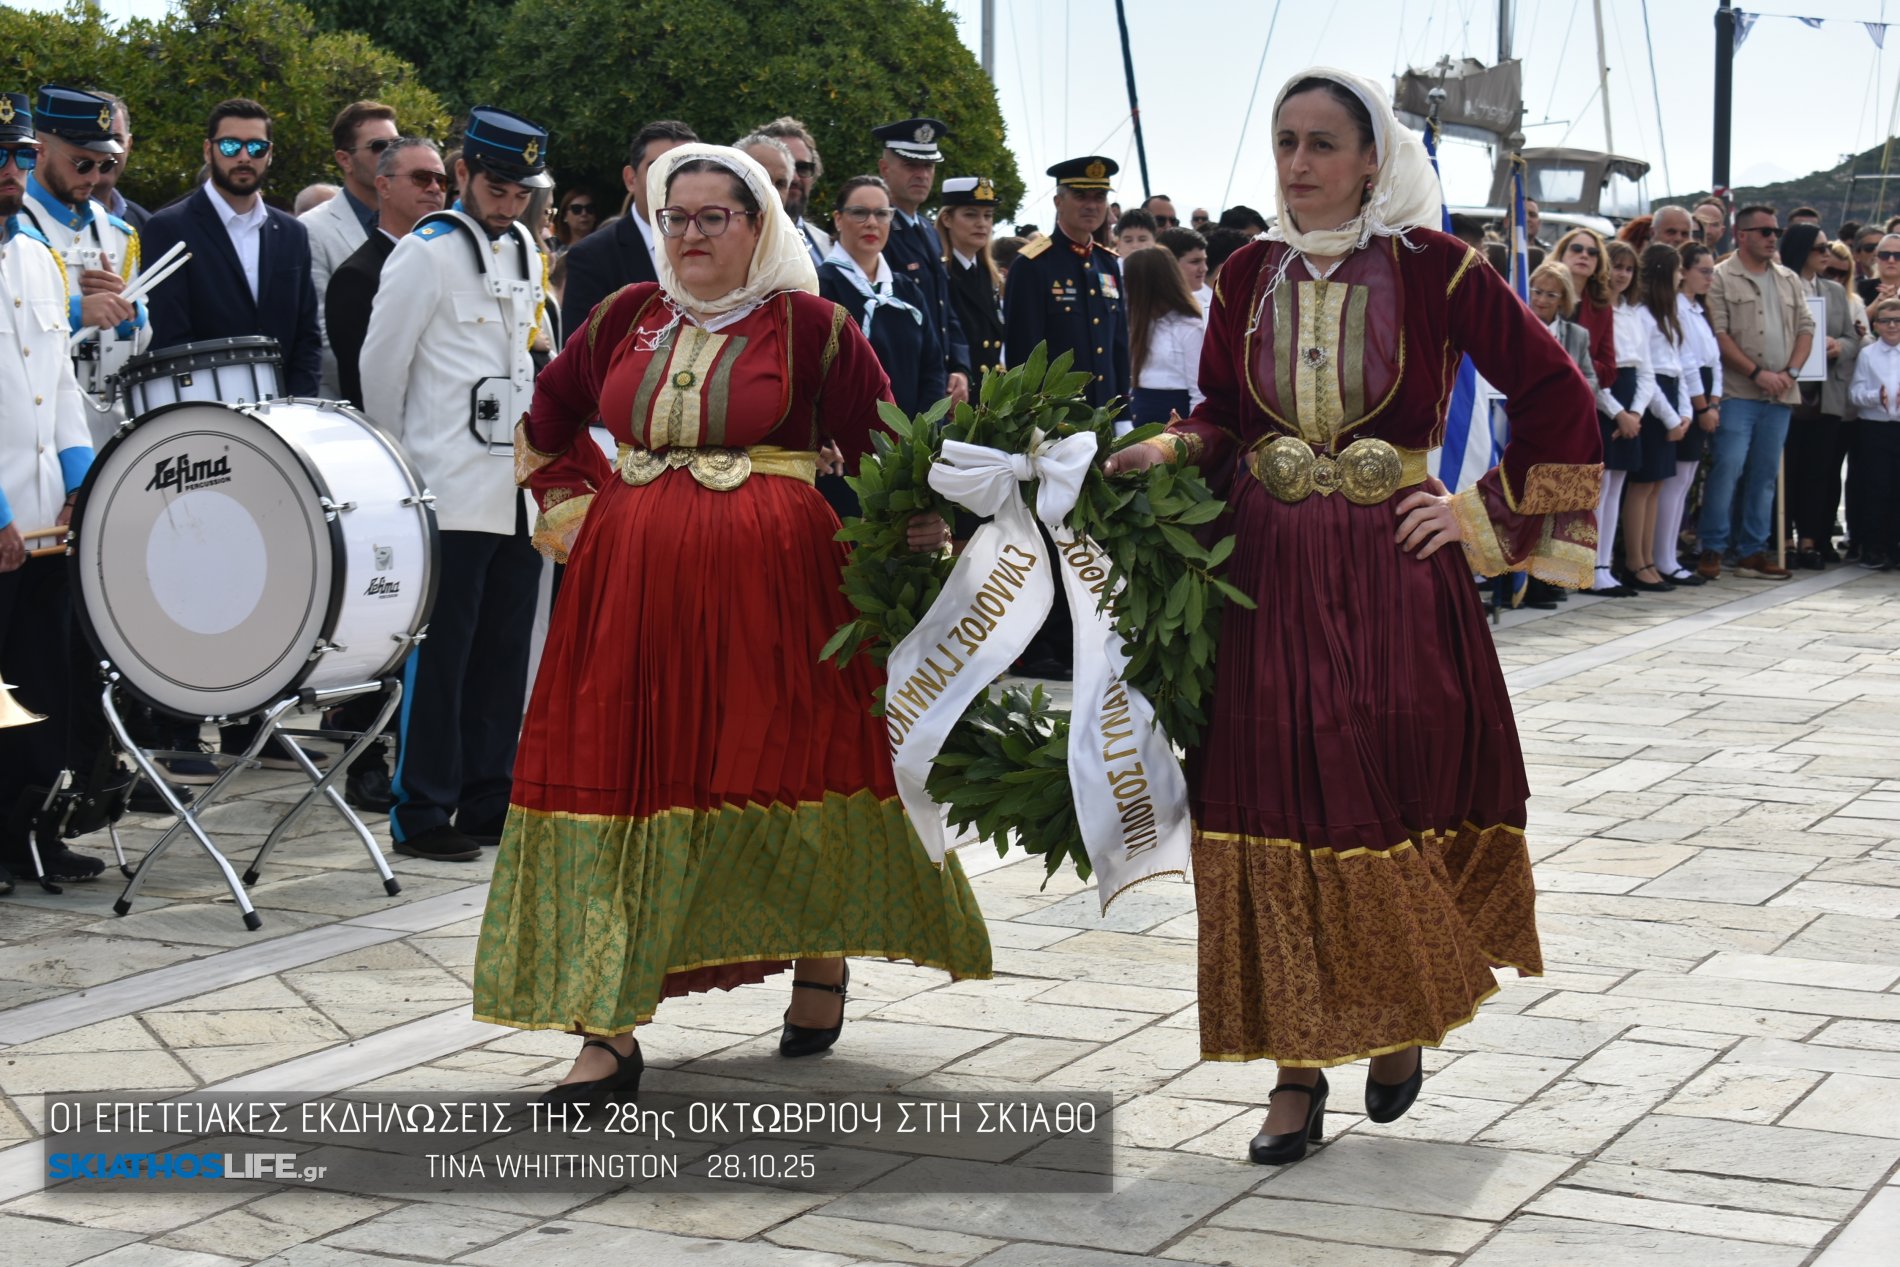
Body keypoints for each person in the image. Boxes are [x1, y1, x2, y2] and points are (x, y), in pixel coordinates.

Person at [1104, 68, 1598, 1166]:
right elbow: (1224, 416)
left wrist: (1483, 518)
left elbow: (1556, 388)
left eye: (1322, 143)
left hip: (1389, 571)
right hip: (1266, 567)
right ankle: (1292, 1076)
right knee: (1272, 796)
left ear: (1372, 157)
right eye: (1284, 141)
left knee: (1383, 787)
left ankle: (1399, 1008)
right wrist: (1169, 448)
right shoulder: (1243, 271)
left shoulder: (1436, 268)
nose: (1298, 163)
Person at [471, 143, 991, 1101]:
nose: (694, 233)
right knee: (620, 772)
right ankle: (608, 1025)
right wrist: (581, 515)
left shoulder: (813, 327)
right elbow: (546, 424)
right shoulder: (623, 317)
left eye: (718, 216)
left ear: (761, 225)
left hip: (778, 595)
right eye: (679, 216)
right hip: (624, 600)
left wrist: (921, 525)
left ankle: (820, 950)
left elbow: (889, 450)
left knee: (782, 764)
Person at [358, 106, 555, 862]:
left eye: (520, 191)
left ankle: (486, 794)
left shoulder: (526, 255)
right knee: (441, 658)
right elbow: (383, 366)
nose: (509, 202)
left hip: (513, 489)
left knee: (504, 653)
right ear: (464, 173)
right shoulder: (426, 251)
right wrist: (399, 469)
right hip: (444, 485)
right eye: (497, 185)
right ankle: (422, 808)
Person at [142, 98, 326, 774]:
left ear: (271, 155)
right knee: (189, 575)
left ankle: (256, 722)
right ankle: (181, 730)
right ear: (208, 149)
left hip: (276, 432)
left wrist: (296, 412)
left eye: (255, 147)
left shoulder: (289, 233)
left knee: (266, 577)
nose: (243, 158)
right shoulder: (169, 227)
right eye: (230, 146)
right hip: (197, 430)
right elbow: (169, 338)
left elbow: (306, 333)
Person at [0, 90, 109, 891]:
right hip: (3, 516)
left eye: (17, 155)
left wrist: (79, 487)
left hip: (45, 517)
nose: (11, 170)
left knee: (38, 684)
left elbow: (61, 387)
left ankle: (26, 831)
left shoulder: (35, 255)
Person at [19, 85, 146, 447]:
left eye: (105, 164)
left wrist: (131, 312)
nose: (95, 177)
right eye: (82, 163)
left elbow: (139, 340)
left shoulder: (119, 235)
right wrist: (74, 313)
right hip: (34, 432)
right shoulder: (15, 228)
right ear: (39, 151)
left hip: (107, 427)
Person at [1696, 205, 1814, 581]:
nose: (1771, 238)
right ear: (1741, 234)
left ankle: (1752, 551)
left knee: (1764, 476)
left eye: (1775, 232)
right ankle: (1712, 547)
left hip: (1780, 394)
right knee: (1727, 469)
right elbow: (1719, 334)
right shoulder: (1719, 278)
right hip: (1736, 392)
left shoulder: (1788, 278)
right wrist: (1758, 373)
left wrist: (1791, 371)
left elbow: (1806, 328)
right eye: (1764, 231)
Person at [326, 138, 447, 410]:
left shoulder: (446, 263)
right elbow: (368, 383)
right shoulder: (356, 277)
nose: (434, 188)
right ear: (384, 186)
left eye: (441, 180)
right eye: (421, 178)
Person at [1005, 155, 1129, 408]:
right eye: (1081, 196)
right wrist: (1031, 414)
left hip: (1103, 409)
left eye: (1099, 197)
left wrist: (1121, 410)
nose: (1091, 206)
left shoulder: (1107, 263)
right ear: (1058, 202)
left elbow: (1118, 343)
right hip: (1055, 414)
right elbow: (1024, 351)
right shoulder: (1033, 264)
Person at [557, 119, 697, 341]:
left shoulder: (723, 247)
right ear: (631, 179)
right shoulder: (593, 257)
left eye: (687, 168)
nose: (673, 180)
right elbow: (581, 359)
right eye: (658, 169)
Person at [817, 175, 944, 417]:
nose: (872, 223)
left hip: (911, 442)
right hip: (845, 443)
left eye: (882, 214)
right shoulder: (821, 287)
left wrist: (921, 431)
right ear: (838, 219)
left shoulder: (907, 290)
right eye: (859, 212)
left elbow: (933, 367)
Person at [304, 100, 398, 398]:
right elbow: (322, 336)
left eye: (398, 144)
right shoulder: (313, 230)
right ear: (345, 160)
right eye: (379, 146)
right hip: (347, 403)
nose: (392, 155)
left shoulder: (419, 223)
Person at [874, 117, 970, 405]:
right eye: (910, 165)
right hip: (898, 386)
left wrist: (959, 368)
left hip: (935, 385)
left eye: (928, 166)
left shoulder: (928, 230)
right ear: (884, 169)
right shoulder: (876, 228)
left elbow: (944, 307)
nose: (921, 174)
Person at [1782, 222, 1860, 570]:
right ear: (1802, 250)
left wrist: (1836, 346)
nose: (1827, 254)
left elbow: (1851, 338)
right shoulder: (1780, 283)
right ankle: (1783, 539)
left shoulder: (1832, 291)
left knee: (1819, 471)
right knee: (1787, 470)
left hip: (1826, 394)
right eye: (1820, 248)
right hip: (1788, 391)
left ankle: (1811, 540)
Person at [1619, 243, 1694, 592]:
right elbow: (1652, 373)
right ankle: (1636, 560)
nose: (1682, 276)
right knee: (1642, 485)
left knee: (1656, 486)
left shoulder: (1668, 316)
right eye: (1678, 269)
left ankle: (1650, 558)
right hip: (1651, 406)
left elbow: (1678, 367)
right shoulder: (1645, 316)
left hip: (1671, 399)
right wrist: (1669, 418)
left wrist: (1685, 414)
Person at [1587, 239, 1659, 597]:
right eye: (1616, 266)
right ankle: (1592, 566)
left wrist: (1635, 412)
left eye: (1629, 269)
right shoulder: (1600, 310)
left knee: (1616, 488)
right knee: (1600, 490)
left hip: (1631, 399)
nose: (1622, 274)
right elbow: (1593, 369)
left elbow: (1646, 370)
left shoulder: (1634, 314)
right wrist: (1617, 413)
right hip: (1608, 398)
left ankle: (1605, 564)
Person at [1657, 243, 1721, 585]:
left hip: (1704, 395)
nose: (1710, 278)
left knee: (1684, 482)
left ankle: (1669, 554)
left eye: (1712, 271)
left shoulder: (1699, 309)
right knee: (1675, 481)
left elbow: (1714, 360)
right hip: (1690, 397)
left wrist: (1716, 399)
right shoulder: (1679, 309)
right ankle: (1663, 557)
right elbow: (1689, 363)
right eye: (1704, 271)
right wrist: (1702, 407)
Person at [1124, 245, 1203, 432]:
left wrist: (1191, 436)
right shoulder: (1137, 323)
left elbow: (1199, 393)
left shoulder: (1189, 327)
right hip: (1138, 420)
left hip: (1174, 423)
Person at [1848, 296, 1900, 568]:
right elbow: (1855, 392)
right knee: (1876, 488)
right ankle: (1873, 547)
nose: (1892, 326)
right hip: (1874, 428)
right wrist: (1874, 397)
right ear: (1876, 325)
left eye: (1897, 320)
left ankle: (1895, 546)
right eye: (1885, 321)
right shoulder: (1868, 354)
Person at [936, 175, 1004, 380]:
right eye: (970, 214)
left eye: (988, 215)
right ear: (947, 219)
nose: (982, 223)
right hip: (958, 389)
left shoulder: (988, 273)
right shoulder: (941, 271)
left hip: (990, 394)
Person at [756, 117, 831, 266]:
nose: (794, 177)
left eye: (802, 168)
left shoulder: (828, 246)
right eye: (785, 167)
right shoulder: (738, 241)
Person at [1554, 227, 1617, 396]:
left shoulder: (1602, 308)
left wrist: (1575, 358)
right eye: (1576, 249)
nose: (1584, 255)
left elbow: (1609, 372)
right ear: (1561, 255)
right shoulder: (1539, 296)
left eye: (1592, 252)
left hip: (1579, 398)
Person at [90, 93, 148, 231]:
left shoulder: (144, 222)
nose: (106, 152)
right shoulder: (48, 219)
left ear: (129, 144)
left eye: (116, 140)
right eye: (95, 139)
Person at [1159, 225, 1212, 310]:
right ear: (1170, 264)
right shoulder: (1151, 308)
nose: (1204, 268)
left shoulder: (1205, 303)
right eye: (1195, 262)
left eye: (1204, 261)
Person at [550, 187, 598, 253]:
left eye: (589, 208)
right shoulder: (553, 249)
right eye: (576, 209)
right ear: (565, 216)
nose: (584, 213)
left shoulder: (604, 248)